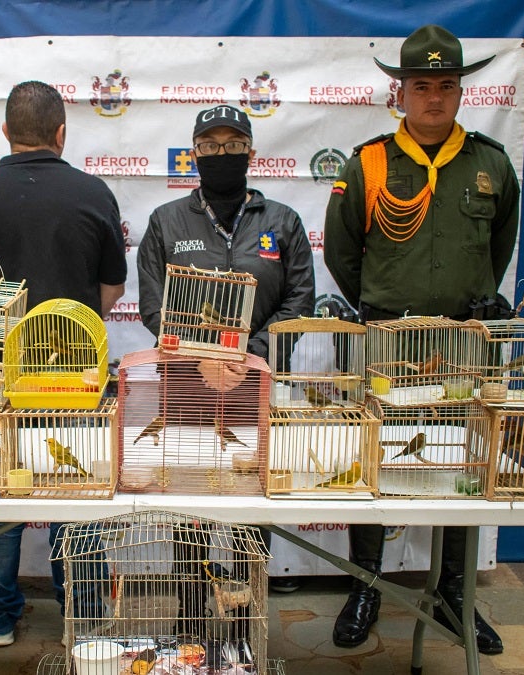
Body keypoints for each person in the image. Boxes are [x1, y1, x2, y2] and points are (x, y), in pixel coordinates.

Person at [324, 24, 524, 654]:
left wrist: (457, 306)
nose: (434, 98)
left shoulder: (491, 164)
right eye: (421, 86)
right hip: (387, 340)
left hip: (467, 342)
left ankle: (454, 591)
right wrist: (388, 302)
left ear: (461, 90)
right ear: (400, 92)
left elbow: (498, 249)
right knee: (371, 461)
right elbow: (341, 252)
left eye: (445, 85)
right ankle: (365, 585)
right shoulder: (370, 163)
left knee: (463, 465)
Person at [0, 80, 127, 646]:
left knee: (2, 496)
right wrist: (62, 328)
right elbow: (112, 291)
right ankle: (86, 615)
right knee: (79, 493)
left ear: (4, 131)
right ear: (61, 133)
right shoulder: (94, 193)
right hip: (76, 372)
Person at [135, 104, 315, 593]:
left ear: (250, 153)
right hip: (185, 389)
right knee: (188, 509)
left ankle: (244, 627)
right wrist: (203, 358)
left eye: (233, 145)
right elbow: (153, 305)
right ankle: (189, 619)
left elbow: (300, 301)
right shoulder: (165, 221)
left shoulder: (283, 221)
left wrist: (247, 355)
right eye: (210, 146)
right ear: (193, 154)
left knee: (249, 510)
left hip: (252, 384)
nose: (222, 154)